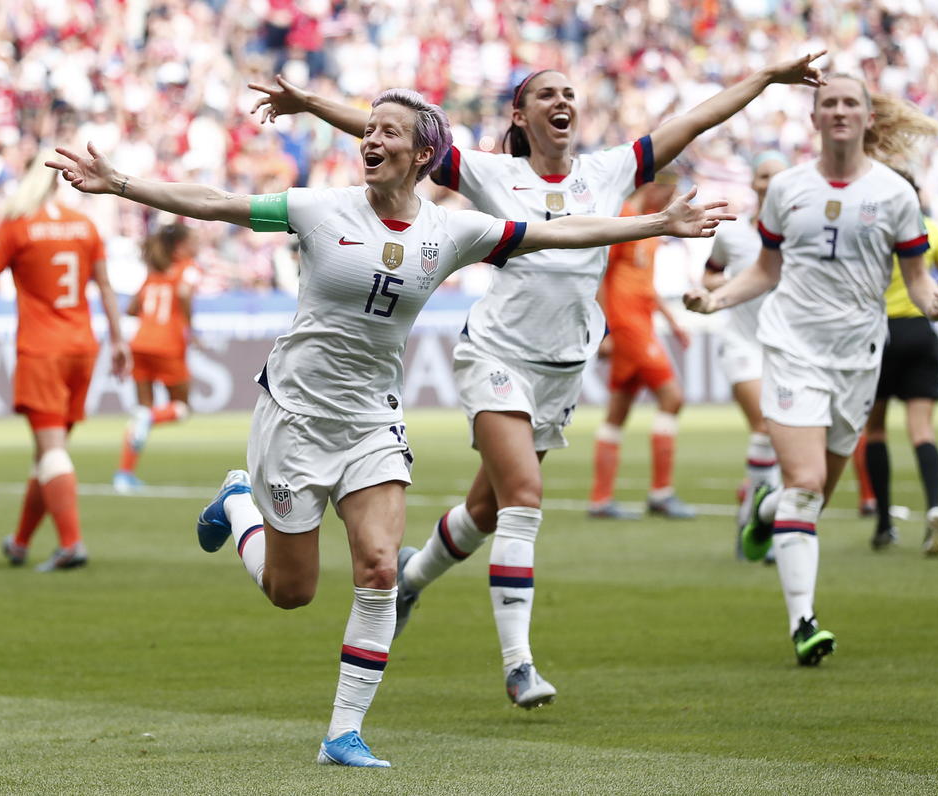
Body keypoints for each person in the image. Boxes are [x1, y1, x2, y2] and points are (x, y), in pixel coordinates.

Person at [47, 89, 731, 766]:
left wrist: (654, 225)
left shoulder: (451, 230)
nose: (371, 141)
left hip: (373, 418)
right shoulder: (319, 209)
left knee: (378, 567)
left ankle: (343, 734)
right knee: (293, 592)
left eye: (389, 133)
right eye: (368, 130)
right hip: (294, 414)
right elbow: (217, 202)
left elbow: (557, 233)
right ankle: (238, 502)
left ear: (422, 155)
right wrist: (121, 184)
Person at [250, 51, 825, 708]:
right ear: (520, 115)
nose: (563, 101)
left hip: (563, 366)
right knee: (524, 495)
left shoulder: (610, 170)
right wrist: (311, 106)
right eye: (546, 94)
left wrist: (764, 79)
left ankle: (409, 578)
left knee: (487, 509)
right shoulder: (492, 173)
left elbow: (693, 121)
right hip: (497, 353)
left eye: (570, 93)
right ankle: (519, 664)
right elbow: (402, 134)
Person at [684, 74, 938, 667]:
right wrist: (717, 299)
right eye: (828, 102)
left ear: (865, 118)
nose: (838, 110)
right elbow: (764, 271)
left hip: (859, 357)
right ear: (813, 119)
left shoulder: (895, 195)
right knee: (806, 486)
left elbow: (915, 282)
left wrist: (933, 300)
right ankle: (804, 622)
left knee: (811, 494)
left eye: (849, 102)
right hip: (791, 349)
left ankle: (761, 512)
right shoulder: (786, 188)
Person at [0, 151, 129, 572]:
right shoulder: (84, 225)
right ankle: (21, 542)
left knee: (52, 452)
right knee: (48, 452)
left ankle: (71, 544)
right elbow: (105, 285)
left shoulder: (16, 224)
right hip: (83, 348)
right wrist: (119, 340)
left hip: (41, 349)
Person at [858, 169, 938, 554]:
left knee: (876, 431)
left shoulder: (871, 228)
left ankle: (884, 523)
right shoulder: (930, 229)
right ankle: (934, 506)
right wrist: (932, 294)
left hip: (878, 334)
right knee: (922, 431)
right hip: (920, 331)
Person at [588, 174, 696, 520]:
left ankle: (600, 499)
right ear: (654, 186)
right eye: (670, 192)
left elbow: (644, 286)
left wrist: (673, 322)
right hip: (627, 327)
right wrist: (605, 330)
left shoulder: (651, 226)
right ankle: (661, 494)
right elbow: (602, 275)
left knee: (618, 411)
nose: (672, 200)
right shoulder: (623, 218)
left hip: (642, 323)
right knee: (672, 398)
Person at [703, 151, 790, 553]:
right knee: (766, 427)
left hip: (787, 349)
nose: (769, 182)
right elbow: (710, 273)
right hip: (742, 344)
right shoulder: (733, 232)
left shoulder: (804, 234)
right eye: (763, 175)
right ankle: (764, 531)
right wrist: (716, 292)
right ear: (753, 184)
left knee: (783, 437)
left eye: (777, 176)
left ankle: (751, 517)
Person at [113, 223, 201, 493]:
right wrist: (188, 325)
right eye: (193, 241)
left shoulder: (154, 274)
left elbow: (130, 309)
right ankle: (149, 419)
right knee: (181, 408)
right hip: (168, 345)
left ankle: (124, 475)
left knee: (143, 410)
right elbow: (185, 293)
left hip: (139, 343)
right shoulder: (186, 267)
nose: (197, 245)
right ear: (181, 246)